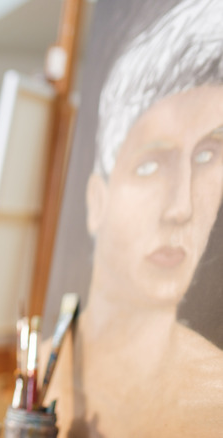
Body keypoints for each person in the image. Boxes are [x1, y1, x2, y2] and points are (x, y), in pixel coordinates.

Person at [44, 0, 223, 436]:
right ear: (96, 199)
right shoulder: (51, 367)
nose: (181, 207)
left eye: (207, 155)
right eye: (149, 164)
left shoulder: (214, 392)